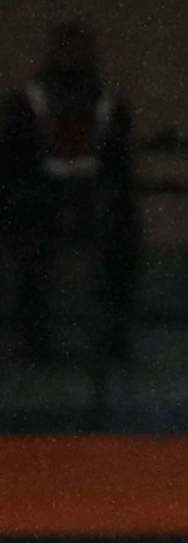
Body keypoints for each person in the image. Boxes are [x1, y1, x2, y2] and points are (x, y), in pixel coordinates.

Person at [0, 20, 139, 362]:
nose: (74, 58)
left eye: (80, 50)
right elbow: (13, 160)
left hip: (95, 201)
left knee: (123, 237)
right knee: (30, 244)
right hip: (39, 202)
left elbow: (119, 165)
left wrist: (100, 196)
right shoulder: (29, 102)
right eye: (67, 50)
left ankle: (114, 338)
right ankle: (35, 341)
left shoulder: (108, 104)